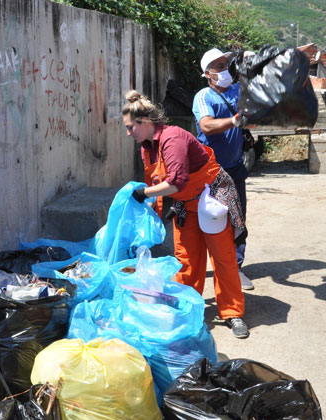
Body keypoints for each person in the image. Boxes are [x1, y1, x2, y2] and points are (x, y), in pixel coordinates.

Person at [123, 90, 249, 339]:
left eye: (130, 127)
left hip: (212, 199)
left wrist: (143, 193)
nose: (129, 133)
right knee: (186, 259)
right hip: (185, 204)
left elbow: (176, 182)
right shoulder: (147, 146)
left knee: (223, 257)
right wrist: (152, 211)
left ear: (145, 122)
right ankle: (187, 307)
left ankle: (232, 312)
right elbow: (158, 182)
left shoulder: (173, 138)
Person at [192, 48, 255, 291]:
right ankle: (204, 269)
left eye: (225, 64)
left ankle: (235, 268)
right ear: (207, 73)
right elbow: (206, 125)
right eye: (217, 66)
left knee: (238, 220)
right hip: (209, 171)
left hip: (235, 168)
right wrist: (234, 121)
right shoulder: (203, 96)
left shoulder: (238, 91)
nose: (223, 69)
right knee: (209, 219)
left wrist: (251, 62)